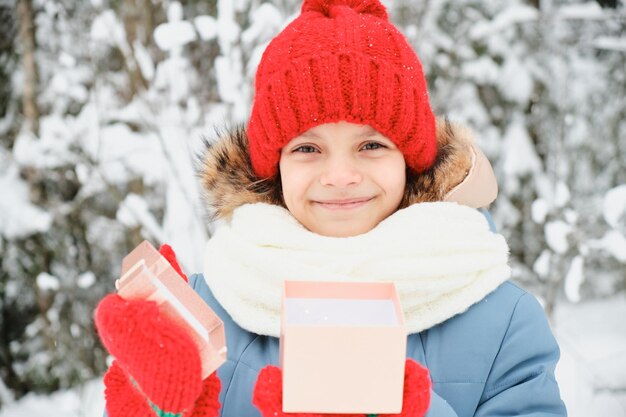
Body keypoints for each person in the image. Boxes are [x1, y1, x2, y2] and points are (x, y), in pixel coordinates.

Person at [95, 1, 567, 416]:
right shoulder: (201, 313)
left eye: (371, 145)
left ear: (411, 159)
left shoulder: (502, 320)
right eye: (307, 149)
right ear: (274, 166)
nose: (340, 176)